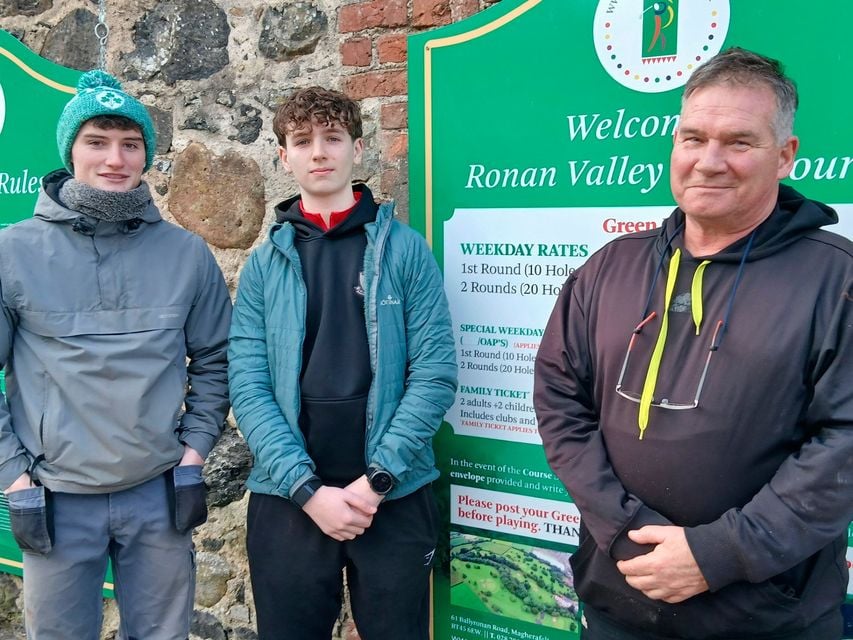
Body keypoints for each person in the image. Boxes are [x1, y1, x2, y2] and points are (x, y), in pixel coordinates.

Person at [534, 47, 852, 639]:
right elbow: (560, 402)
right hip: (620, 600)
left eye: (739, 142)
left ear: (785, 155)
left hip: (768, 615)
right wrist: (625, 533)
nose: (709, 161)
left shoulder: (836, 280)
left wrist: (718, 554)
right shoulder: (609, 268)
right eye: (693, 138)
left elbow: (844, 442)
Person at [0, 70, 231, 640]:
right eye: (97, 142)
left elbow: (217, 360)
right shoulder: (13, 252)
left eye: (130, 144)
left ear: (146, 155)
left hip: (157, 493)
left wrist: (194, 451)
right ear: (70, 151)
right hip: (55, 497)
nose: (114, 159)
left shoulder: (186, 254)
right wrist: (14, 477)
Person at [228, 86, 456, 640]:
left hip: (392, 493)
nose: (318, 152)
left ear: (358, 147)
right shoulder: (263, 265)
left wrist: (376, 481)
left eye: (332, 138)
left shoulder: (405, 250)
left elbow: (434, 373)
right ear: (284, 156)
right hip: (288, 496)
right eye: (302, 141)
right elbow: (248, 385)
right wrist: (306, 490)